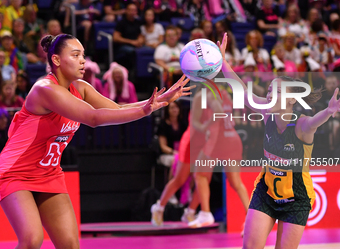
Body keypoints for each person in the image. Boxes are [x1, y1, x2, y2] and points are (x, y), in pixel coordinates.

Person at [0, 33, 193, 248]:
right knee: (31, 240)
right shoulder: (45, 90)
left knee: (70, 245)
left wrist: (160, 100)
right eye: (75, 55)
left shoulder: (80, 88)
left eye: (83, 54)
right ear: (56, 60)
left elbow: (117, 108)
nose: (82, 60)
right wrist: (144, 112)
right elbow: (93, 118)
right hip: (15, 171)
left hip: (48, 172)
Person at [218, 32, 340, 249]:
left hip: (297, 199)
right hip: (266, 192)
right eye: (270, 90)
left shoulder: (301, 125)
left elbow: (314, 122)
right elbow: (243, 92)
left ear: (292, 99)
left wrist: (329, 112)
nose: (269, 95)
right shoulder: (266, 114)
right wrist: (224, 63)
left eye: (276, 91)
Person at [151, 88, 213, 227]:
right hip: (192, 142)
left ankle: (190, 212)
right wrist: (208, 129)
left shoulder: (222, 99)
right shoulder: (200, 98)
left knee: (204, 181)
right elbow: (195, 123)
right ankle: (159, 208)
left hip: (207, 144)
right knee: (179, 179)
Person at [189, 86, 249, 229]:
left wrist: (206, 127)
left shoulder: (207, 94)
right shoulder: (224, 93)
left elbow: (218, 112)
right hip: (233, 137)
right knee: (236, 183)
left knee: (200, 175)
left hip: (218, 139)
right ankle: (251, 219)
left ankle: (205, 213)